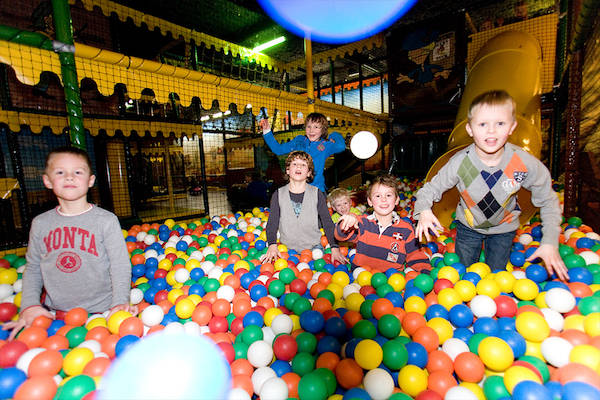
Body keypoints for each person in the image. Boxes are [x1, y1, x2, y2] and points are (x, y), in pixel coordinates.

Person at [413, 90, 568, 281]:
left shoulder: (524, 163)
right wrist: (424, 211)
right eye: (483, 124)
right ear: (470, 129)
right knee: (464, 275)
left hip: (504, 228)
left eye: (500, 123)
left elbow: (548, 200)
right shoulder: (460, 162)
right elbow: (430, 188)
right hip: (468, 227)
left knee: (496, 275)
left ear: (512, 127)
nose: (491, 131)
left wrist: (550, 242)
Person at [3, 146, 135, 340]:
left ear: (90, 180)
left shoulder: (106, 220)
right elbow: (33, 268)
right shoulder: (41, 224)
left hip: (103, 312)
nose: (69, 177)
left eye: (78, 172)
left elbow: (120, 265)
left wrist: (120, 303)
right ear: (47, 181)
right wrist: (29, 305)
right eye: (60, 172)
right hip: (55, 314)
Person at [260, 151, 346, 265]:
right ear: (287, 170)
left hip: (314, 250)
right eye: (294, 164)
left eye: (304, 165)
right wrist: (272, 245)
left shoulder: (317, 194)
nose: (299, 166)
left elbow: (327, 222)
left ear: (309, 173)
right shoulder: (278, 194)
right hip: (286, 250)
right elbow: (272, 223)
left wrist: (334, 247)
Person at [335, 174, 430, 273]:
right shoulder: (362, 223)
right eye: (378, 196)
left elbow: (415, 256)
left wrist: (425, 273)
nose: (383, 199)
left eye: (388, 195)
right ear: (370, 201)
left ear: (397, 200)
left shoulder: (406, 229)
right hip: (360, 279)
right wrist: (346, 222)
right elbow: (341, 236)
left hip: (391, 281)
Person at [259, 112, 346, 193]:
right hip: (297, 189)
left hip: (316, 188)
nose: (311, 130)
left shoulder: (325, 145)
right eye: (308, 127)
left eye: (316, 127)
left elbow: (341, 146)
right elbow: (278, 150)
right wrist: (267, 132)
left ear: (323, 130)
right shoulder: (299, 140)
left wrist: (333, 135)